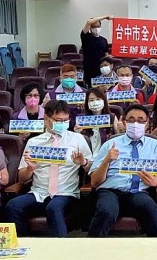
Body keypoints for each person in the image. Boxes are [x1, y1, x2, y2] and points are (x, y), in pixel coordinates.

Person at [5, 100, 92, 237]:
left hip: (66, 193)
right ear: (46, 118)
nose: (62, 123)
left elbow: (92, 170)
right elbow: (22, 178)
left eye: (65, 120)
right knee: (13, 206)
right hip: (39, 193)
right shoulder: (34, 142)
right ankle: (24, 244)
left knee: (54, 207)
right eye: (58, 120)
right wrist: (30, 169)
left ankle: (59, 248)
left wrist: (83, 162)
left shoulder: (77, 139)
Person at [88, 104, 157, 237]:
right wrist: (106, 161)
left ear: (146, 124)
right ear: (124, 122)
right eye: (131, 120)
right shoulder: (110, 144)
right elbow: (94, 182)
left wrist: (155, 181)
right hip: (110, 191)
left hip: (138, 192)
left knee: (152, 212)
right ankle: (91, 248)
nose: (135, 124)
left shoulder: (154, 145)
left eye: (140, 120)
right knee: (106, 212)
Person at [76, 87, 123, 156]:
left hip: (106, 156)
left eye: (98, 99)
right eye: (91, 100)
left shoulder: (111, 117)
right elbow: (78, 143)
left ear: (103, 101)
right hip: (87, 156)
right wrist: (77, 133)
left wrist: (121, 129)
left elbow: (119, 138)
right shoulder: (81, 119)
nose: (95, 102)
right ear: (87, 102)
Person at [80, 15, 112, 85]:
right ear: (90, 28)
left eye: (98, 26)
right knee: (91, 88)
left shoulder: (104, 40)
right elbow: (88, 22)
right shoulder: (86, 36)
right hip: (89, 68)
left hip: (101, 69)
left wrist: (108, 57)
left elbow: (106, 54)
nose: (96, 28)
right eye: (94, 26)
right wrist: (105, 17)